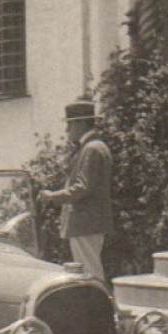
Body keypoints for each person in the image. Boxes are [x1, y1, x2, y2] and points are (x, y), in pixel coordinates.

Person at [42, 99, 113, 282]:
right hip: (90, 221)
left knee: (89, 271)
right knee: (90, 268)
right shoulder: (94, 146)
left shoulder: (91, 149)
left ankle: (101, 307)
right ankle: (101, 306)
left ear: (82, 123)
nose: (67, 130)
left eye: (70, 124)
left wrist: (53, 196)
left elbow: (82, 187)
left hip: (86, 220)